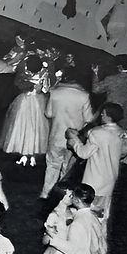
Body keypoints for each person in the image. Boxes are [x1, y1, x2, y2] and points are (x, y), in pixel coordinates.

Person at [67, 102, 126, 220]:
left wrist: (75, 141)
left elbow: (83, 153)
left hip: (94, 180)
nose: (101, 116)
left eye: (103, 114)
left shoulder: (97, 132)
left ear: (109, 116)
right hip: (110, 180)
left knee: (87, 213)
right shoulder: (121, 133)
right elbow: (123, 153)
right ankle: (100, 236)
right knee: (103, 215)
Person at [42, 67, 94, 198]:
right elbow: (89, 118)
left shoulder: (55, 92)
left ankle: (46, 194)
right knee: (68, 168)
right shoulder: (84, 95)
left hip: (56, 135)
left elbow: (48, 113)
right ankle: (62, 195)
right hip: (74, 138)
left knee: (52, 165)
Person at [92, 55, 127, 162]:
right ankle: (121, 160)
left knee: (106, 135)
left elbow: (96, 89)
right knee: (123, 137)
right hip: (126, 114)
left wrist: (95, 73)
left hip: (110, 112)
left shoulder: (111, 79)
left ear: (119, 67)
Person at [0, 54, 50, 166]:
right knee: (33, 128)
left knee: (23, 126)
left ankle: (26, 154)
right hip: (35, 101)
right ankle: (29, 155)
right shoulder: (43, 72)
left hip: (27, 100)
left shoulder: (27, 70)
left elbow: (18, 83)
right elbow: (45, 88)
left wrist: (33, 87)